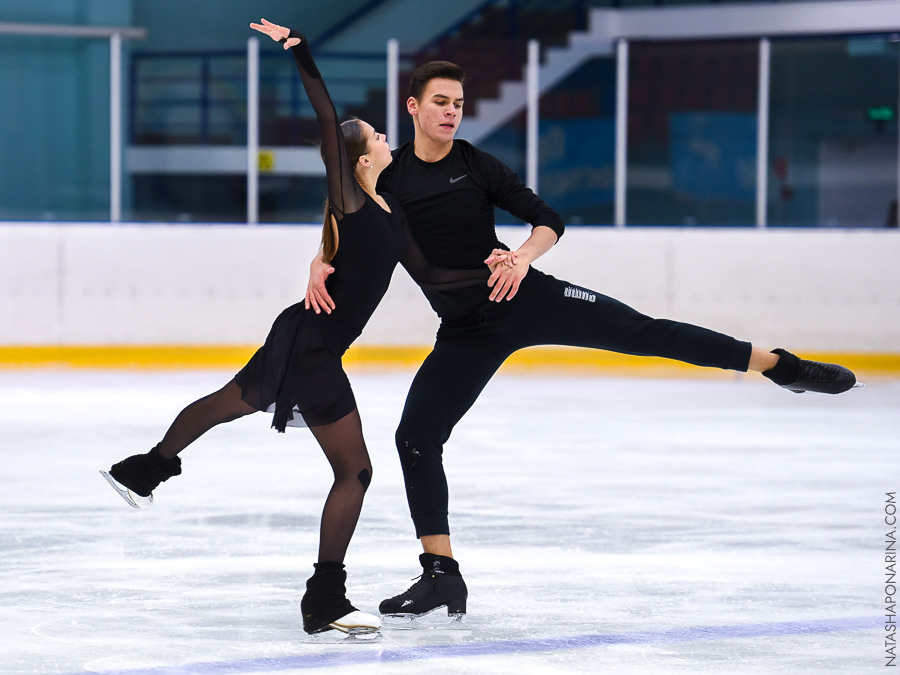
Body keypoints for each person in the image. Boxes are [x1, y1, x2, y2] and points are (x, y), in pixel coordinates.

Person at [304, 59, 858, 623]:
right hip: (466, 331)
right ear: (414, 108)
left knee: (644, 332)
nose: (452, 112)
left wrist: (521, 257)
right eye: (441, 102)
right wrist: (318, 262)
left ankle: (778, 366)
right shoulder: (390, 178)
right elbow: (347, 218)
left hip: (525, 298)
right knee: (416, 437)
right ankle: (442, 575)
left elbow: (548, 219)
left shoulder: (476, 165)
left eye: (459, 103)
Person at [100, 21, 488, 640]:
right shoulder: (352, 199)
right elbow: (327, 112)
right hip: (311, 347)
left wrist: (496, 262)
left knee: (232, 402)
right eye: (379, 136)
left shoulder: (391, 212)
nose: (388, 137)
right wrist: (302, 51)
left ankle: (144, 468)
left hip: (303, 335)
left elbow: (432, 269)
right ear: (362, 159)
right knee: (354, 472)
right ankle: (324, 598)